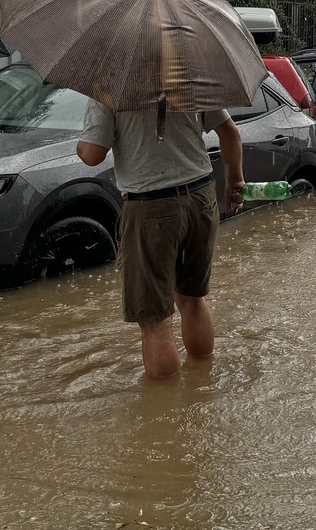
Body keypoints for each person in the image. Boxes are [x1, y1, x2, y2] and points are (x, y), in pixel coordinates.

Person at [76, 103, 245, 379]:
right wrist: (235, 181)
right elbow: (230, 132)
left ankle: (165, 414)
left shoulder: (111, 87)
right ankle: (202, 382)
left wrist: (82, 145)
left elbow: (92, 154)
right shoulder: (188, 75)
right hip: (201, 198)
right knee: (193, 299)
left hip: (150, 206)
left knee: (154, 318)